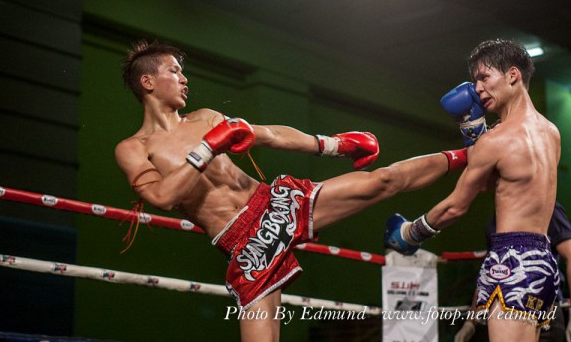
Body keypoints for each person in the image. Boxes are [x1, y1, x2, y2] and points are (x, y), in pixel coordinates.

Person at [114, 39, 468, 342]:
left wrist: (336, 145)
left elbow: (270, 134)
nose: (184, 78)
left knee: (381, 181)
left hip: (275, 203)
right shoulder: (133, 148)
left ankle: (470, 153)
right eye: (174, 71)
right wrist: (207, 149)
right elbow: (162, 197)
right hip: (245, 243)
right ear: (148, 81)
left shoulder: (205, 118)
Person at [384, 39, 562, 342]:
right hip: (542, 259)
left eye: (484, 77)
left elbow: (456, 206)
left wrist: (411, 233)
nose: (477, 88)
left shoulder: (496, 141)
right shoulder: (551, 133)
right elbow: (505, 186)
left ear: (513, 75)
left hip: (512, 260)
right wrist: (476, 135)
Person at [454, 201, 571, 342]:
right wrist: (471, 320)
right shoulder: (498, 216)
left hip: (539, 305)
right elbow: (492, 271)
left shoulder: (544, 207)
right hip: (501, 307)